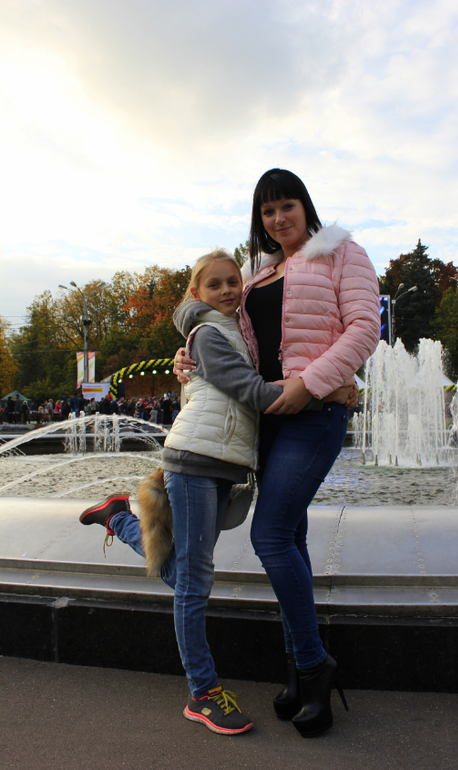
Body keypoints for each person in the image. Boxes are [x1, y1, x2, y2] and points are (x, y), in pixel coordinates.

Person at [174, 168, 380, 737]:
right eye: (267, 211)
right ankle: (296, 670)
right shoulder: (259, 272)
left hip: (313, 415)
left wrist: (313, 383)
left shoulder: (343, 254)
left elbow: (365, 328)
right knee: (291, 538)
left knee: (269, 536)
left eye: (286, 205)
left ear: (304, 205)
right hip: (266, 419)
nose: (278, 218)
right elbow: (218, 324)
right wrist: (187, 355)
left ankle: (314, 666)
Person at [79, 249, 292, 736]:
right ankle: (202, 693)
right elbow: (249, 390)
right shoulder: (210, 333)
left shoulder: (238, 330)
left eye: (233, 281)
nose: (227, 290)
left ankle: (119, 517)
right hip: (194, 461)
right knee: (194, 582)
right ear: (196, 293)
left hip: (219, 464)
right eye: (214, 284)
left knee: (190, 575)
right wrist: (316, 390)